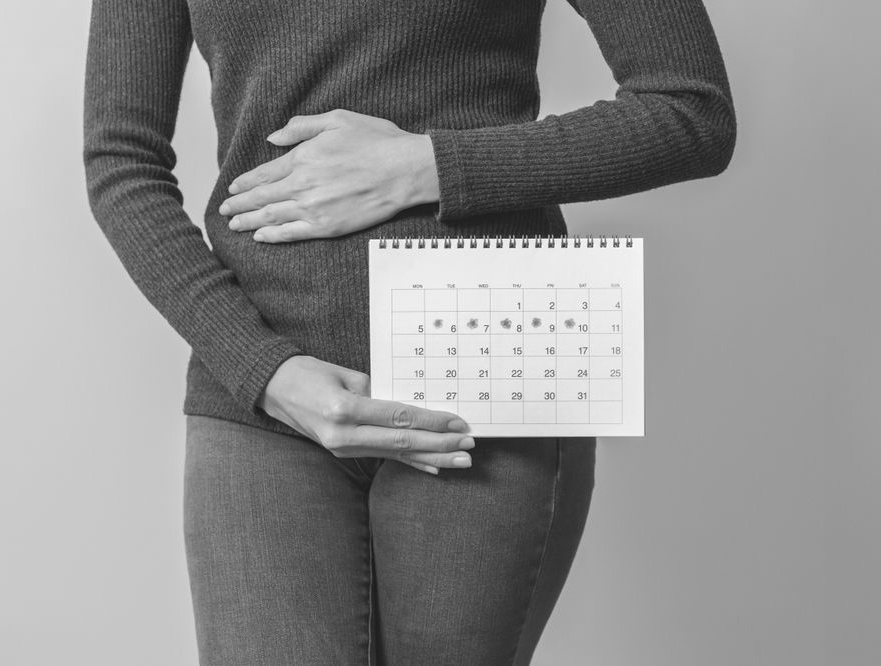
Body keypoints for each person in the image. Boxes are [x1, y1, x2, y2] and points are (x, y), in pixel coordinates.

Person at [82, 0, 736, 663]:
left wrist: (423, 166)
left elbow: (691, 110)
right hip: (263, 387)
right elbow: (121, 159)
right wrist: (264, 369)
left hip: (491, 365)